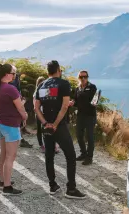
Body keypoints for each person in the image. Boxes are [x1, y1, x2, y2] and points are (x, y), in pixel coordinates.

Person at [34, 60, 86, 199]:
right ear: (58, 70)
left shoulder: (41, 85)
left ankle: (52, 185)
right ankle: (71, 189)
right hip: (59, 126)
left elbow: (36, 108)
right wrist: (56, 124)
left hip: (46, 126)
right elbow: (64, 106)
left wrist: (45, 123)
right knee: (70, 156)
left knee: (49, 155)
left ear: (47, 71)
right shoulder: (63, 83)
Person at [0, 63, 27, 195]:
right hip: (11, 125)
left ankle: (2, 181)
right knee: (10, 157)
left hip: (0, 123)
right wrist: (25, 116)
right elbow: (20, 108)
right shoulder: (10, 89)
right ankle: (7, 187)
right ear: (7, 74)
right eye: (13, 73)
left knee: (3, 154)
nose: (14, 76)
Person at [70, 70, 98, 165]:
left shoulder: (92, 87)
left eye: (85, 77)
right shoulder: (77, 88)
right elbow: (75, 100)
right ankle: (83, 154)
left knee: (89, 137)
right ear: (78, 78)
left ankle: (89, 158)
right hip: (81, 115)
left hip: (90, 116)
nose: (83, 79)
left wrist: (93, 103)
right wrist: (73, 102)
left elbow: (94, 101)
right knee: (78, 135)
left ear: (87, 77)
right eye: (81, 77)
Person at [9, 69, 33, 148]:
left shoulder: (15, 79)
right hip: (14, 104)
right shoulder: (9, 84)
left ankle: (20, 139)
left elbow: (18, 90)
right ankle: (19, 140)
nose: (15, 75)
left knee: (18, 123)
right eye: (13, 73)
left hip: (17, 100)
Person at [34, 77, 46, 152]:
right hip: (38, 113)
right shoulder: (36, 92)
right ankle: (41, 145)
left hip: (44, 113)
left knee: (44, 129)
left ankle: (48, 145)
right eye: (40, 83)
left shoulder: (45, 91)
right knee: (39, 129)